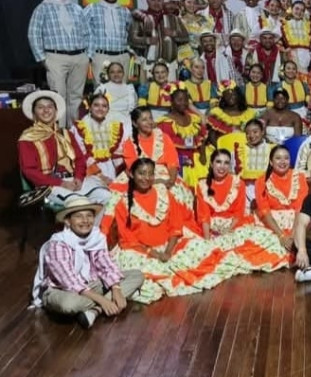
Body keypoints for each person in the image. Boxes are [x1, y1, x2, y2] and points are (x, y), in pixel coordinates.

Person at [108, 157, 251, 303]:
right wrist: (155, 254)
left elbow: (176, 227)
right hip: (142, 251)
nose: (146, 178)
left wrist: (169, 251)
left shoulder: (165, 194)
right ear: (132, 175)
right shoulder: (123, 203)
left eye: (150, 174)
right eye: (141, 173)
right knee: (146, 278)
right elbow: (128, 240)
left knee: (203, 251)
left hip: (169, 246)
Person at [31, 196, 143, 328]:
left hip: (89, 284)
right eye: (79, 216)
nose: (85, 221)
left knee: (136, 275)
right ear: (68, 221)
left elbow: (105, 264)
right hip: (62, 290)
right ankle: (107, 302)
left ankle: (94, 311)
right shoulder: (58, 243)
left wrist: (116, 289)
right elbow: (69, 281)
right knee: (69, 305)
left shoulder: (96, 237)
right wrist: (102, 300)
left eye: (89, 216)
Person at [195, 149, 290, 271]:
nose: (222, 166)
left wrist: (228, 230)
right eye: (218, 162)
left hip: (234, 226)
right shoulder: (202, 185)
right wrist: (207, 240)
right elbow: (204, 216)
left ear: (230, 166)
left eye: (226, 163)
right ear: (211, 164)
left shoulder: (238, 183)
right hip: (210, 229)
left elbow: (238, 213)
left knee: (258, 243)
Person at [18, 90, 110, 214]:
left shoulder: (66, 134)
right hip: (49, 185)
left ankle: (95, 233)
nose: (46, 110)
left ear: (56, 112)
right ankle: (75, 233)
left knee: (106, 197)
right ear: (34, 113)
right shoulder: (27, 138)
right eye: (40, 107)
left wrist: (78, 178)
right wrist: (61, 183)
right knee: (79, 204)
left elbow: (79, 160)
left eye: (50, 106)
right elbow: (29, 170)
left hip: (73, 180)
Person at [28, 0, 89, 127]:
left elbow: (86, 31)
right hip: (56, 56)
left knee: (76, 95)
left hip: (79, 55)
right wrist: (41, 57)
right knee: (58, 95)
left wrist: (87, 54)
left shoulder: (76, 8)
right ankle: (60, 132)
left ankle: (74, 130)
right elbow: (33, 32)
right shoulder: (43, 7)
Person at [254, 145, 307, 251]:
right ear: (271, 162)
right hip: (272, 226)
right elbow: (265, 211)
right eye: (278, 158)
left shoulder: (299, 177)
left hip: (297, 223)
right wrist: (281, 235)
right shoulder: (261, 181)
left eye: (286, 158)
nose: (283, 161)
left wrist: (293, 235)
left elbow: (300, 208)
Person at [130, 0, 188, 83]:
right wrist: (148, 41)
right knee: (151, 93)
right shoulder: (141, 19)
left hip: (170, 65)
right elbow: (132, 40)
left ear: (163, 2)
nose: (156, 3)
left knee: (170, 92)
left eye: (159, 0)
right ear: (147, 1)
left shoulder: (173, 19)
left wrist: (173, 33)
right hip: (148, 65)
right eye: (153, 0)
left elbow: (185, 37)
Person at [157, 84, 210, 187]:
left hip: (198, 161)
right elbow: (168, 146)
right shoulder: (166, 122)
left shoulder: (193, 118)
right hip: (179, 163)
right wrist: (181, 161)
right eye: (179, 100)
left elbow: (202, 136)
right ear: (171, 101)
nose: (183, 103)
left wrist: (202, 154)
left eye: (186, 100)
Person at [85, 0, 133, 83]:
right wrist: (88, 53)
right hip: (101, 56)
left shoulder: (125, 11)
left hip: (121, 56)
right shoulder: (92, 8)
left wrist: (129, 51)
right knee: (102, 89)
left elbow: (131, 32)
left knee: (121, 88)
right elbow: (81, 30)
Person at [72, 93, 124, 185]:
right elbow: (82, 155)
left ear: (108, 109)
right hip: (88, 169)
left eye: (104, 106)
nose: (100, 109)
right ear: (89, 107)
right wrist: (100, 176)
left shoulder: (114, 126)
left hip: (110, 168)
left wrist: (121, 174)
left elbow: (117, 153)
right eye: (96, 105)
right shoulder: (81, 127)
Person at [233, 119, 271, 203]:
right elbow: (233, 172)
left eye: (255, 132)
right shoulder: (240, 150)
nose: (251, 135)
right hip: (245, 190)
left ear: (262, 132)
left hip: (267, 189)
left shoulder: (271, 149)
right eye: (248, 133)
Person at [94, 61, 138, 127]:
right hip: (106, 124)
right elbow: (94, 108)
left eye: (119, 72)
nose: (116, 74)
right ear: (108, 74)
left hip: (127, 124)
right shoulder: (102, 89)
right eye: (112, 72)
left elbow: (135, 107)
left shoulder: (130, 89)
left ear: (123, 73)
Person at [282, 1, 311, 73]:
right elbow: (273, 38)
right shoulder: (284, 23)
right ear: (291, 9)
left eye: (302, 10)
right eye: (297, 9)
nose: (299, 12)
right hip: (290, 58)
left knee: (304, 82)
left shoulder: (309, 25)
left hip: (305, 58)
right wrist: (283, 50)